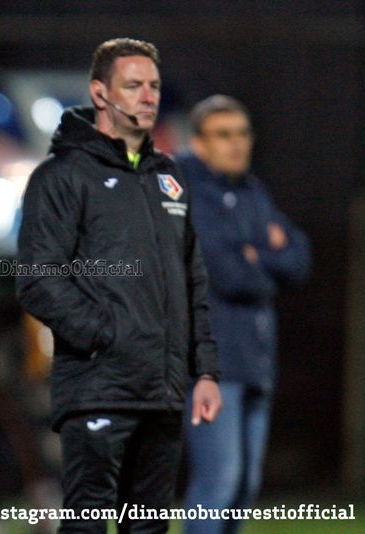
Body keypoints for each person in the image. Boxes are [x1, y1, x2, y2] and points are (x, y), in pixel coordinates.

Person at [15, 38, 222, 533]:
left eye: (154, 85)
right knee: (88, 522)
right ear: (100, 93)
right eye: (133, 85)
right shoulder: (61, 176)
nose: (148, 96)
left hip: (162, 391)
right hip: (98, 388)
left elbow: (192, 278)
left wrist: (206, 370)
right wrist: (107, 335)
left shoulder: (168, 176)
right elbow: (38, 279)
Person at [178, 95, 311, 534]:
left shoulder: (252, 191)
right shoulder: (189, 193)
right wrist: (264, 259)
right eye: (223, 135)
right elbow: (230, 273)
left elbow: (300, 259)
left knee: (243, 489)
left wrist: (260, 258)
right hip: (212, 364)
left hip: (256, 357)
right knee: (218, 482)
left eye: (242, 133)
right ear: (199, 142)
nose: (236, 143)